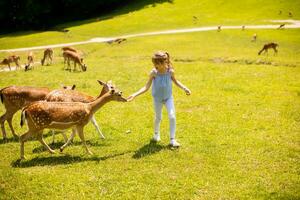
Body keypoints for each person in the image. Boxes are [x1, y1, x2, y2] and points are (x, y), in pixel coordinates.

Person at [127, 51, 191, 147]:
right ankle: (156, 135)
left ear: (164, 62)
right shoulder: (154, 73)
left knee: (172, 116)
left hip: (168, 98)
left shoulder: (170, 72)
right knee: (158, 117)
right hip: (157, 99)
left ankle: (172, 140)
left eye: (157, 64)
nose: (156, 66)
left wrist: (185, 88)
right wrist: (135, 94)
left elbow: (176, 82)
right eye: (155, 64)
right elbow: (146, 87)